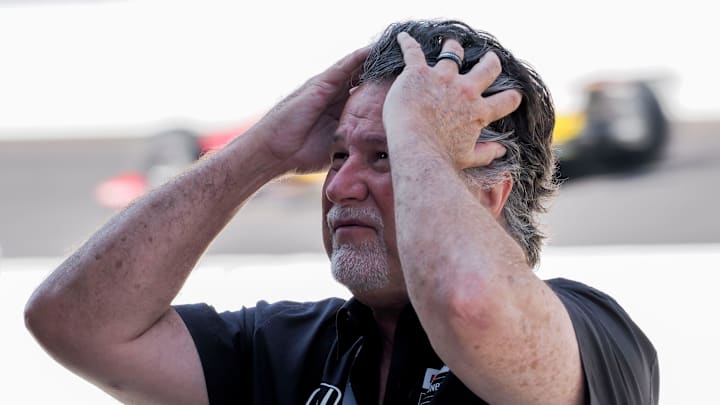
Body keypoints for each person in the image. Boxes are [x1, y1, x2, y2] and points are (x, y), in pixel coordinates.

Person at [24, 19, 658, 404]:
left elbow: (471, 305)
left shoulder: (591, 332)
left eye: (386, 157)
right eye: (334, 156)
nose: (340, 186)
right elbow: (73, 322)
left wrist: (421, 134)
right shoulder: (284, 347)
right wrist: (262, 150)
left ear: (490, 194)